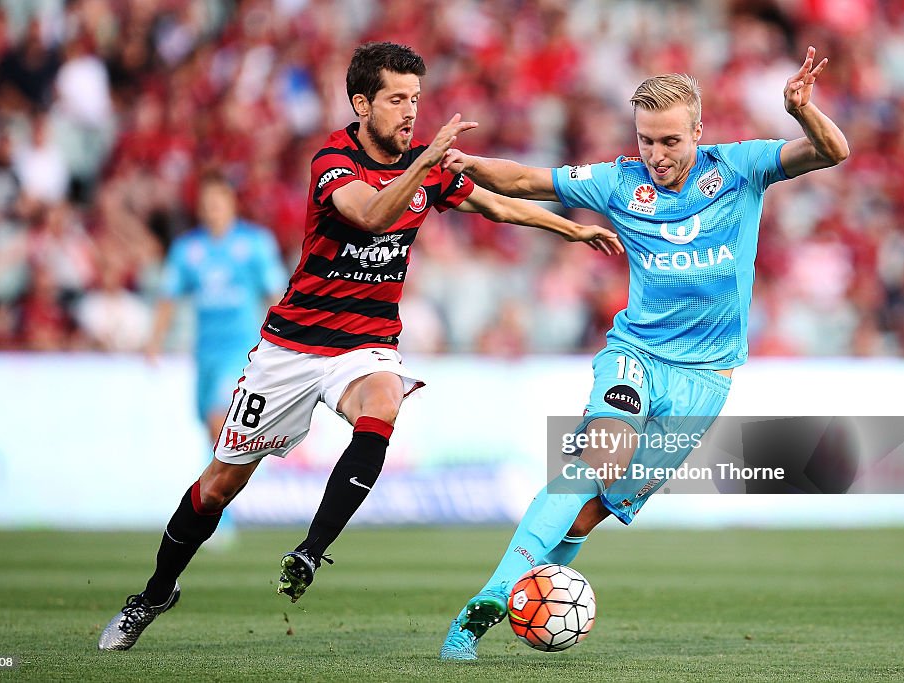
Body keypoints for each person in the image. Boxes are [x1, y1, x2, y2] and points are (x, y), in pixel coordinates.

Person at [98, 41, 620, 651]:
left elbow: (498, 205)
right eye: (397, 100)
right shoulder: (333, 160)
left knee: (384, 401)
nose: (408, 112)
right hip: (291, 349)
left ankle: (312, 552)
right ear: (361, 103)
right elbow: (370, 216)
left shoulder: (423, 167)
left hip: (366, 345)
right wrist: (424, 164)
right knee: (218, 485)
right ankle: (154, 593)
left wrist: (572, 228)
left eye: (416, 100)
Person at [439, 46, 849, 660]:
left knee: (586, 517)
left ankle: (529, 587)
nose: (655, 156)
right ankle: (486, 604)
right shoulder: (618, 181)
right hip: (636, 355)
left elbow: (832, 152)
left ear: (697, 132)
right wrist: (464, 165)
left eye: (668, 141)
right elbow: (526, 180)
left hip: (705, 380)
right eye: (646, 141)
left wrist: (802, 111)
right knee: (594, 465)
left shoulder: (738, 169)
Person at [146, 171, 287, 444]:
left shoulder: (255, 243)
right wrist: (155, 341)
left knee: (219, 418)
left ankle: (220, 486)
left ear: (231, 202)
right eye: (206, 203)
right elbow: (168, 296)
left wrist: (285, 339)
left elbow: (275, 294)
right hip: (204, 351)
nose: (212, 209)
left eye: (217, 201)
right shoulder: (187, 249)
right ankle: (226, 481)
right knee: (210, 423)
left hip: (242, 348)